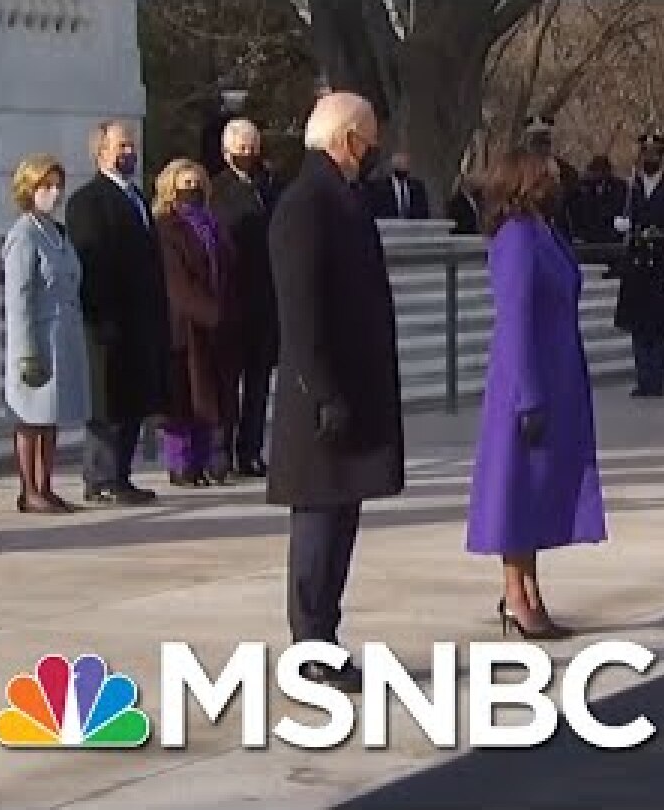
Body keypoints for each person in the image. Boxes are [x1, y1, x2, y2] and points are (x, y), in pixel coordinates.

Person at [267, 92, 404, 692]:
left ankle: (326, 633)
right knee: (319, 521)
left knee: (341, 517)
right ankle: (310, 645)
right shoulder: (306, 205)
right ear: (345, 139)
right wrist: (323, 391)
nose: (372, 151)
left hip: (349, 389)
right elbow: (301, 315)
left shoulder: (342, 198)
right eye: (368, 139)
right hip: (321, 397)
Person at [465, 148, 608, 640]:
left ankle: (528, 589)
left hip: (555, 374)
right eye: (545, 173)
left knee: (536, 493)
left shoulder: (543, 230)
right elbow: (516, 320)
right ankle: (515, 594)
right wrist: (528, 395)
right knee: (516, 494)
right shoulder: (517, 239)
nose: (555, 179)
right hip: (526, 383)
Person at [66, 120, 170, 506]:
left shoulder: (137, 197)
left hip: (139, 320)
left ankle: (121, 476)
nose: (129, 152)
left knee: (131, 403)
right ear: (101, 151)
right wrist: (104, 317)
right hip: (107, 323)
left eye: (132, 146)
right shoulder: (88, 201)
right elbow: (90, 262)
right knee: (106, 404)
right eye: (121, 146)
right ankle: (100, 478)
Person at [2, 154, 90, 514]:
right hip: (37, 336)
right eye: (45, 186)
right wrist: (25, 351)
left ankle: (47, 484)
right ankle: (28, 488)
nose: (53, 193)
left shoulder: (56, 231)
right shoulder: (23, 235)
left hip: (63, 335)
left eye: (57, 186)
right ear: (29, 189)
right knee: (30, 416)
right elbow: (19, 296)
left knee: (50, 416)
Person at [154, 158, 239, 487]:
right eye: (184, 185)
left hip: (216, 325)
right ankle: (180, 465)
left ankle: (203, 463)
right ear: (170, 189)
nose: (191, 191)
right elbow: (177, 281)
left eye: (196, 185)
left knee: (209, 399)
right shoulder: (165, 227)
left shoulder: (213, 224)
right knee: (182, 400)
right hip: (184, 325)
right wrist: (209, 312)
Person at [211, 118, 279, 478]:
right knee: (227, 384)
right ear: (227, 151)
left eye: (253, 146)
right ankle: (221, 451)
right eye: (241, 147)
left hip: (265, 302)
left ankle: (250, 451)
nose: (248, 152)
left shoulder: (268, 187)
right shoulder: (217, 190)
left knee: (258, 384)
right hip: (232, 299)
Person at [611, 131, 664, 398]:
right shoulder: (630, 190)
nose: (649, 158)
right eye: (646, 154)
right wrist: (622, 227)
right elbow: (625, 222)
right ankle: (643, 377)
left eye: (655, 154)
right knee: (638, 326)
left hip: (662, 264)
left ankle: (656, 378)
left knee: (659, 326)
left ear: (663, 158)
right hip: (637, 266)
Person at [523, 114, 579, 237]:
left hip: (558, 231)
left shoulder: (565, 171)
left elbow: (574, 203)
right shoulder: (517, 170)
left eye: (544, 142)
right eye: (535, 142)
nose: (540, 148)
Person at [569, 155, 627, 245]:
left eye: (600, 171)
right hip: (588, 238)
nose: (597, 174)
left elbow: (619, 210)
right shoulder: (582, 188)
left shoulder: (620, 187)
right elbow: (576, 212)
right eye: (594, 171)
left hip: (612, 238)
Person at [366, 151, 430, 220]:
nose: (407, 167)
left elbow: (423, 211)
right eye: (404, 163)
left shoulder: (417, 186)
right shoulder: (381, 187)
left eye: (408, 163)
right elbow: (376, 211)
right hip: (388, 226)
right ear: (395, 166)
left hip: (413, 227)